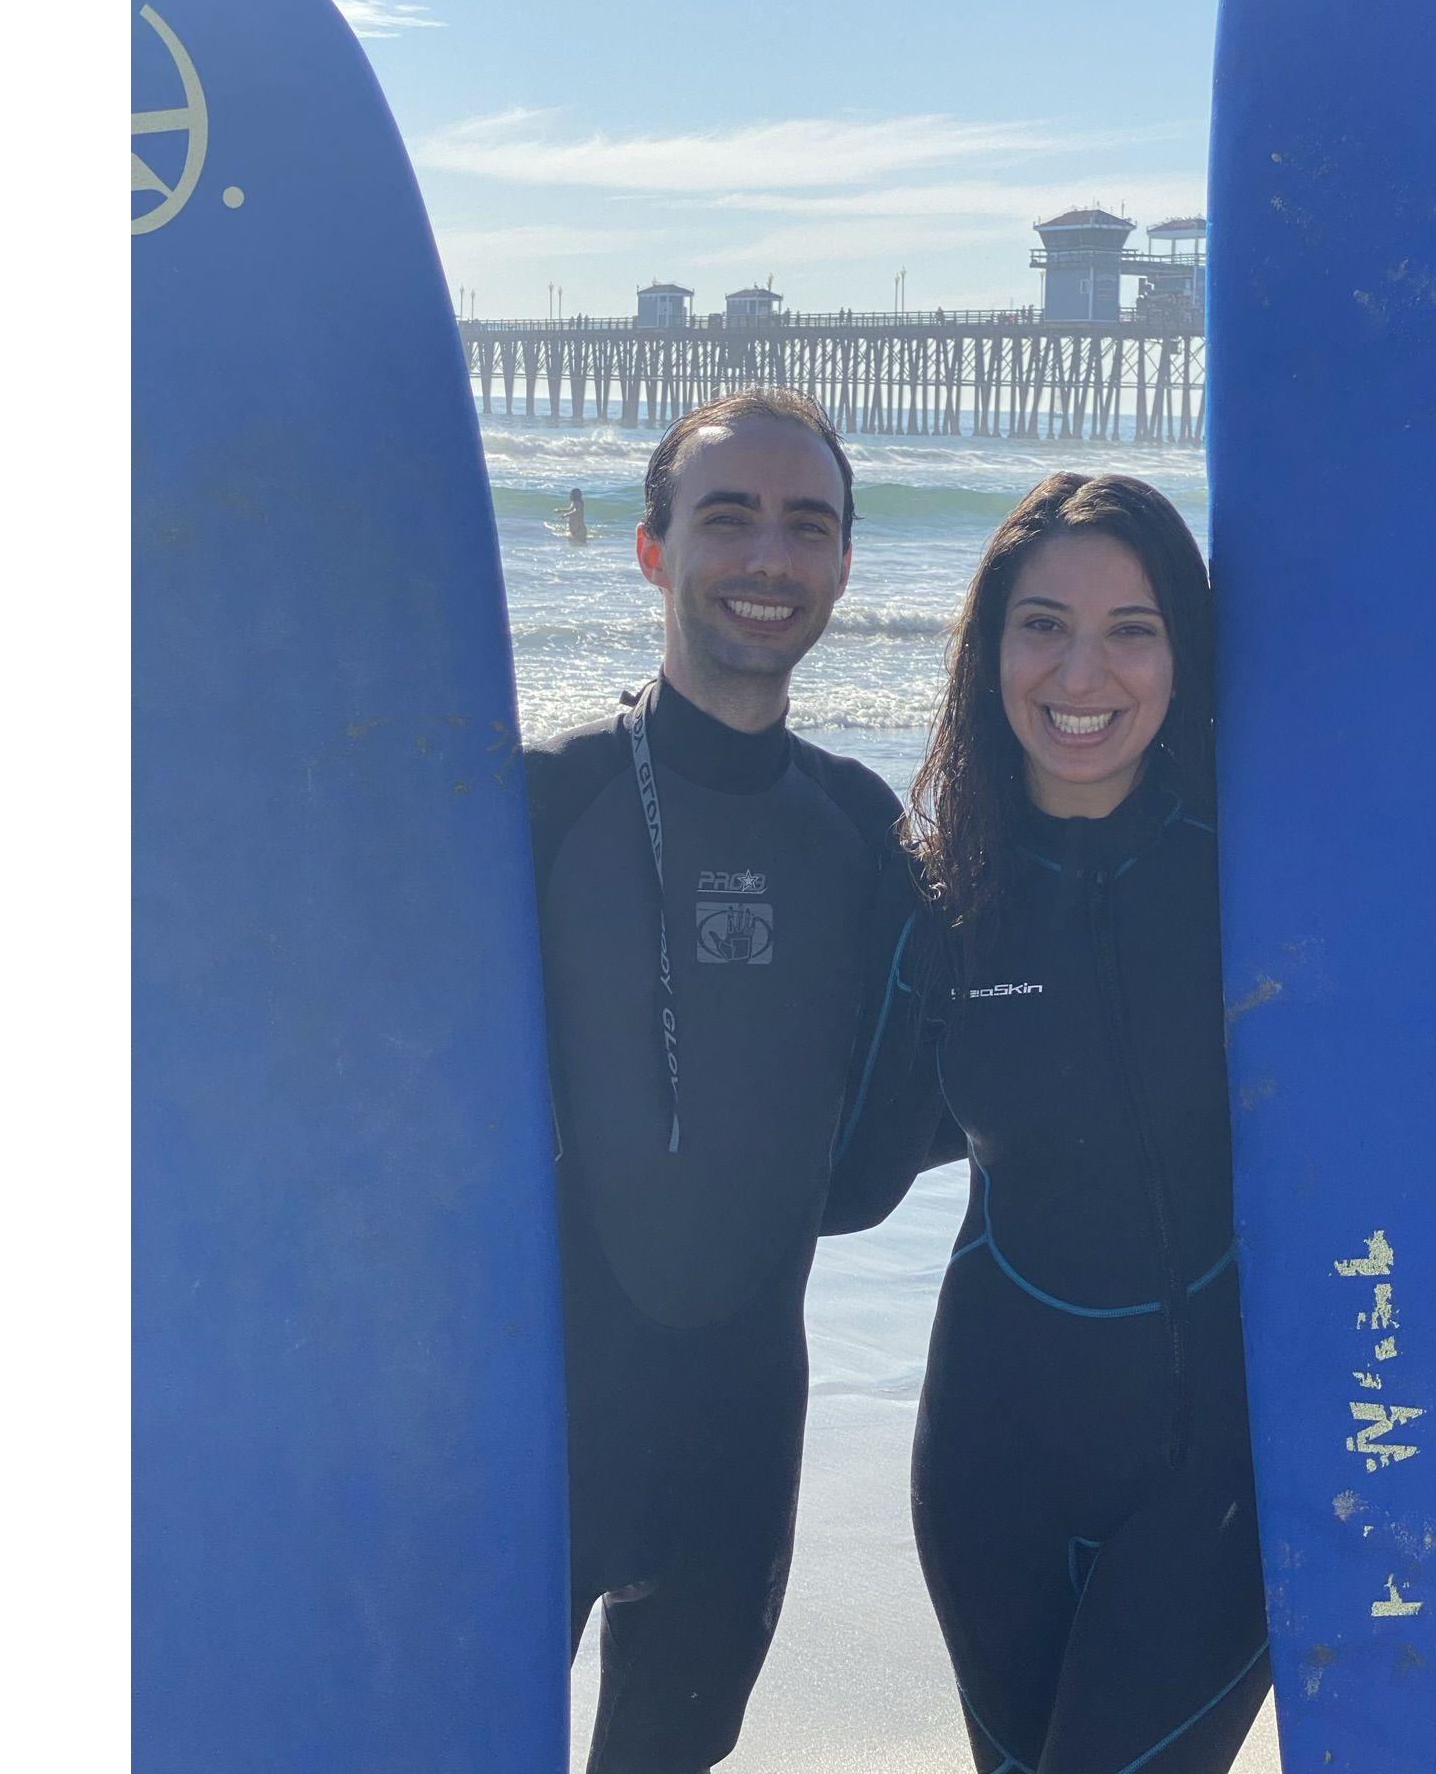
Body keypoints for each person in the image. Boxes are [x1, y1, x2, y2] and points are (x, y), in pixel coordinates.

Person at [825, 473, 1271, 1773]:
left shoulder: (1255, 869)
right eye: (1044, 623)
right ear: (990, 646)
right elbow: (848, 1179)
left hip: (1222, 1473)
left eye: (1133, 625)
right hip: (991, 1464)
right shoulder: (936, 893)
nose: (1085, 668)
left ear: (1184, 650)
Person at [525, 387, 907, 1773]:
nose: (768, 557)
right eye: (728, 516)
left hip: (739, 1441)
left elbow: (890, 1140)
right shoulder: (539, 800)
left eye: (807, 525)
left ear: (845, 565)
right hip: (529, 1429)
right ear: (650, 549)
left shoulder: (863, 834)